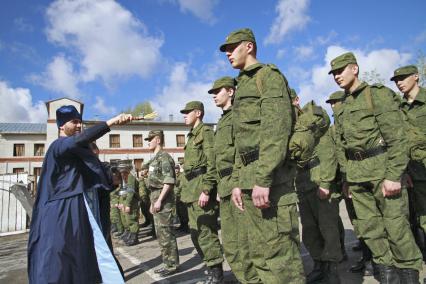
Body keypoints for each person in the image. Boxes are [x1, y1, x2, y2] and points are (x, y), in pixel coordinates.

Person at [220, 28, 305, 283]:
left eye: (232, 47)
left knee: (280, 259)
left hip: (269, 182)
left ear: (249, 46)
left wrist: (263, 178)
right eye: (225, 50)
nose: (227, 53)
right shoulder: (241, 83)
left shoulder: (268, 76)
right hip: (247, 181)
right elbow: (240, 142)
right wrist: (236, 182)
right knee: (259, 256)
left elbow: (276, 131)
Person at [329, 52, 422, 283]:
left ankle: (409, 273)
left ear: (355, 69)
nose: (337, 76)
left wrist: (394, 175)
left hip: (382, 172)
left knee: (396, 227)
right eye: (334, 73)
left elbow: (397, 138)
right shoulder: (342, 106)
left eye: (341, 71)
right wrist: (347, 179)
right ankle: (387, 273)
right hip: (357, 176)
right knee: (370, 230)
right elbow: (341, 146)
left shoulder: (376, 95)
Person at [28, 105, 132, 284]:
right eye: (74, 122)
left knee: (85, 259)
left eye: (80, 122)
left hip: (78, 210)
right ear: (61, 126)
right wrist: (111, 122)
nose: (78, 126)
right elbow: (79, 140)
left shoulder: (77, 152)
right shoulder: (59, 146)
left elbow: (93, 175)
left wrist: (114, 178)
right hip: (61, 214)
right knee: (60, 263)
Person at [209, 76, 261, 283]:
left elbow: (243, 151)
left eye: (217, 91)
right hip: (224, 187)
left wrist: (238, 182)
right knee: (230, 245)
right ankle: (245, 279)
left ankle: (253, 280)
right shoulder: (221, 121)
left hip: (237, 182)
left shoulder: (239, 115)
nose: (213, 95)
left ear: (230, 91)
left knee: (245, 241)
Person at [289, 101, 342, 283]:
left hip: (319, 178)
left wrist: (326, 182)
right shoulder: (290, 126)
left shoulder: (313, 119)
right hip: (303, 182)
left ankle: (332, 271)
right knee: (310, 231)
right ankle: (319, 265)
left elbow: (327, 150)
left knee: (328, 229)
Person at [326, 91, 374, 277]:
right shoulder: (333, 128)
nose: (333, 105)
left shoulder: (351, 123)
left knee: (366, 221)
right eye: (331, 102)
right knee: (356, 220)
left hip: (360, 176)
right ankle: (366, 253)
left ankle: (373, 259)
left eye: (336, 102)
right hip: (346, 180)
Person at [180, 101, 224, 283]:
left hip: (201, 189)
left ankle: (217, 273)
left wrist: (207, 190)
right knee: (195, 233)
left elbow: (211, 162)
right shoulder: (191, 136)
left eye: (187, 112)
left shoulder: (205, 132)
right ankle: (209, 265)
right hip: (191, 190)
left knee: (206, 232)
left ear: (198, 113)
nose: (184, 115)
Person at [391, 65, 426, 258]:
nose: (399, 82)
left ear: (416, 76)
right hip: (411, 173)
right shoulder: (396, 108)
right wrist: (403, 172)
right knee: (417, 219)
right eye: (397, 80)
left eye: (403, 78)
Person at [142, 130, 180, 277]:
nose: (148, 142)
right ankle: (167, 263)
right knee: (161, 234)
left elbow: (169, 182)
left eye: (150, 139)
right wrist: (153, 201)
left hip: (163, 200)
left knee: (166, 234)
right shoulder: (154, 159)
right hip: (156, 197)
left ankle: (172, 266)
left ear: (158, 140)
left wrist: (159, 200)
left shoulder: (164, 158)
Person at [174, 164, 189, 233]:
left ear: (179, 169)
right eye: (175, 169)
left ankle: (186, 227)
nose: (176, 170)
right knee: (179, 212)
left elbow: (180, 186)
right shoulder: (174, 176)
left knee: (184, 213)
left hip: (182, 196)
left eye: (177, 169)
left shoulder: (182, 175)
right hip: (177, 197)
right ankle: (182, 225)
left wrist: (176, 192)